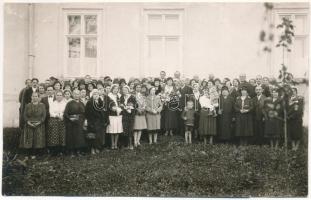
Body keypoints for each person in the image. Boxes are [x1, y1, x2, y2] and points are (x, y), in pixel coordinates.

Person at [19, 92, 46, 158]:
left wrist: (39, 122)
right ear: (31, 97)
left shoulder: (42, 105)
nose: (35, 98)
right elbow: (24, 115)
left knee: (37, 140)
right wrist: (28, 122)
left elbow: (44, 115)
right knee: (29, 139)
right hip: (29, 125)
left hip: (39, 125)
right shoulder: (28, 105)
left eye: (36, 96)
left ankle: (35, 154)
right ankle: (28, 154)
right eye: (33, 96)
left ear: (38, 97)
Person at [85, 89, 110, 154]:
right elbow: (87, 113)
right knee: (93, 135)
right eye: (94, 94)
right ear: (92, 95)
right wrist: (90, 122)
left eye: (97, 94)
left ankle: (98, 148)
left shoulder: (100, 102)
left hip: (100, 121)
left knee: (99, 136)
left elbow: (103, 111)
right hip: (93, 121)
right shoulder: (89, 102)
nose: (96, 95)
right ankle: (92, 148)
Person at [64, 89, 87, 156]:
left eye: (78, 94)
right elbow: (66, 113)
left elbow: (84, 113)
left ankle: (78, 150)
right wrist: (70, 119)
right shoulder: (69, 103)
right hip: (71, 123)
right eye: (75, 94)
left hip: (80, 122)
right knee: (71, 137)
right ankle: (72, 151)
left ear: (79, 95)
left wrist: (84, 120)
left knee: (79, 137)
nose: (76, 95)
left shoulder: (82, 103)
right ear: (73, 95)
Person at [47, 90, 66, 155]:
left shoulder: (65, 103)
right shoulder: (53, 103)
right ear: (55, 96)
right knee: (54, 135)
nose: (59, 96)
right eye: (57, 95)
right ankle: (54, 151)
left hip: (62, 120)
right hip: (54, 120)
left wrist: (62, 115)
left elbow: (65, 111)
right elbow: (51, 112)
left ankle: (62, 150)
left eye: (60, 95)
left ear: (62, 96)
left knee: (62, 135)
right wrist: (57, 115)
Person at [106, 84, 123, 150]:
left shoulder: (119, 96)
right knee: (112, 130)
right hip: (112, 115)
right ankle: (112, 144)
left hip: (118, 115)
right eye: (114, 89)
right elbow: (108, 105)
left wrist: (120, 108)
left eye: (117, 89)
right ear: (112, 89)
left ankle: (116, 144)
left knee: (117, 130)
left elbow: (121, 104)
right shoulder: (109, 96)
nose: (115, 90)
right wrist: (113, 108)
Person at [120, 85, 136, 150]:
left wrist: (130, 107)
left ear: (128, 90)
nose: (125, 91)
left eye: (126, 90)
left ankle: (131, 144)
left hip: (131, 115)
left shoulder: (132, 97)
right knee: (125, 129)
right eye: (123, 90)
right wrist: (123, 106)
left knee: (130, 130)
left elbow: (135, 105)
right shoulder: (121, 97)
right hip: (124, 115)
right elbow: (120, 105)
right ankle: (126, 145)